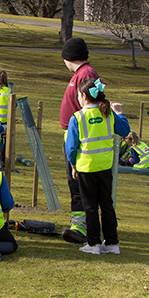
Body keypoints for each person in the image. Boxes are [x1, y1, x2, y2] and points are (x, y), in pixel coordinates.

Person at [65, 78, 129, 255]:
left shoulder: (78, 117)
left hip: (86, 167)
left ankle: (93, 243)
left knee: (90, 206)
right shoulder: (108, 114)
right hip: (105, 166)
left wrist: (73, 164)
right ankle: (112, 242)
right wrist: (119, 113)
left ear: (84, 96)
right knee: (107, 204)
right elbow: (124, 130)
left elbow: (70, 147)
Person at [60, 37, 98, 243]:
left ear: (69, 57)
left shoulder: (86, 74)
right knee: (74, 183)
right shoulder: (81, 74)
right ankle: (81, 223)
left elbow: (92, 106)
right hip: (73, 135)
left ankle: (81, 226)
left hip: (79, 139)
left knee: (78, 183)